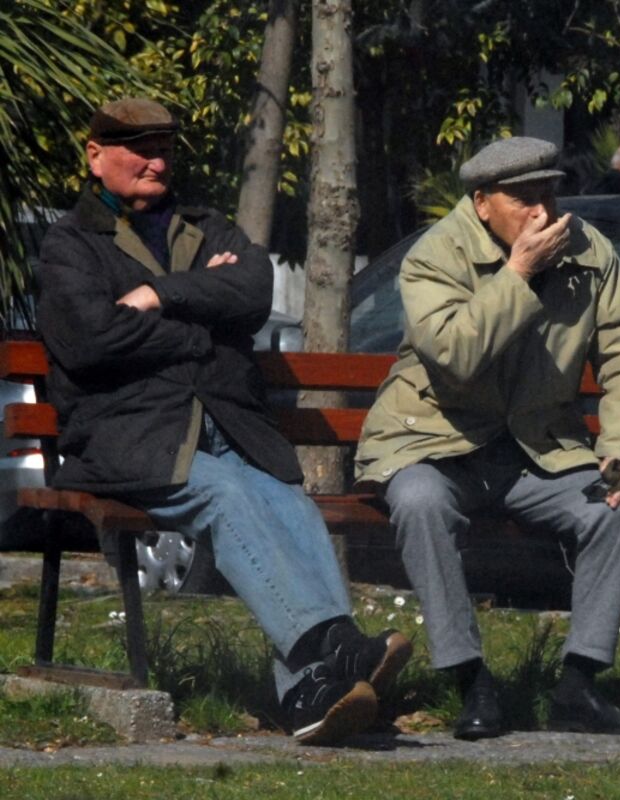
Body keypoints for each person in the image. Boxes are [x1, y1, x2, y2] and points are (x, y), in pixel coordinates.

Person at [35, 98, 411, 747]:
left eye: (164, 150)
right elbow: (92, 339)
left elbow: (253, 291)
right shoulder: (70, 244)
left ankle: (310, 697)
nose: (157, 163)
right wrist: (202, 331)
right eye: (139, 150)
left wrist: (161, 295)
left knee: (291, 504)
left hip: (229, 423)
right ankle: (334, 650)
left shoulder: (205, 226)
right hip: (131, 435)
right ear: (95, 157)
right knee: (227, 496)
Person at [355, 136, 620, 741]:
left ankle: (578, 686)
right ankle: (470, 680)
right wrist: (518, 273)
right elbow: (456, 357)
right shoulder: (435, 255)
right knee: (419, 503)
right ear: (482, 202)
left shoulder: (589, 250)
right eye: (524, 198)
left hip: (538, 447)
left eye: (549, 193)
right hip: (435, 442)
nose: (542, 211)